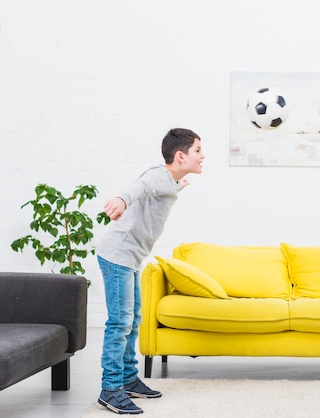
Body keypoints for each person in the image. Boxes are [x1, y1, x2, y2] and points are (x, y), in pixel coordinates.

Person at [96, 128, 204, 415]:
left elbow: (157, 192)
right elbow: (139, 187)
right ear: (180, 155)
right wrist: (120, 200)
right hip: (117, 255)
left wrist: (179, 184)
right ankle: (110, 388)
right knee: (120, 323)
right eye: (197, 150)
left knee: (133, 320)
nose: (202, 155)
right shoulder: (159, 175)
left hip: (130, 258)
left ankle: (128, 378)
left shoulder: (171, 181)